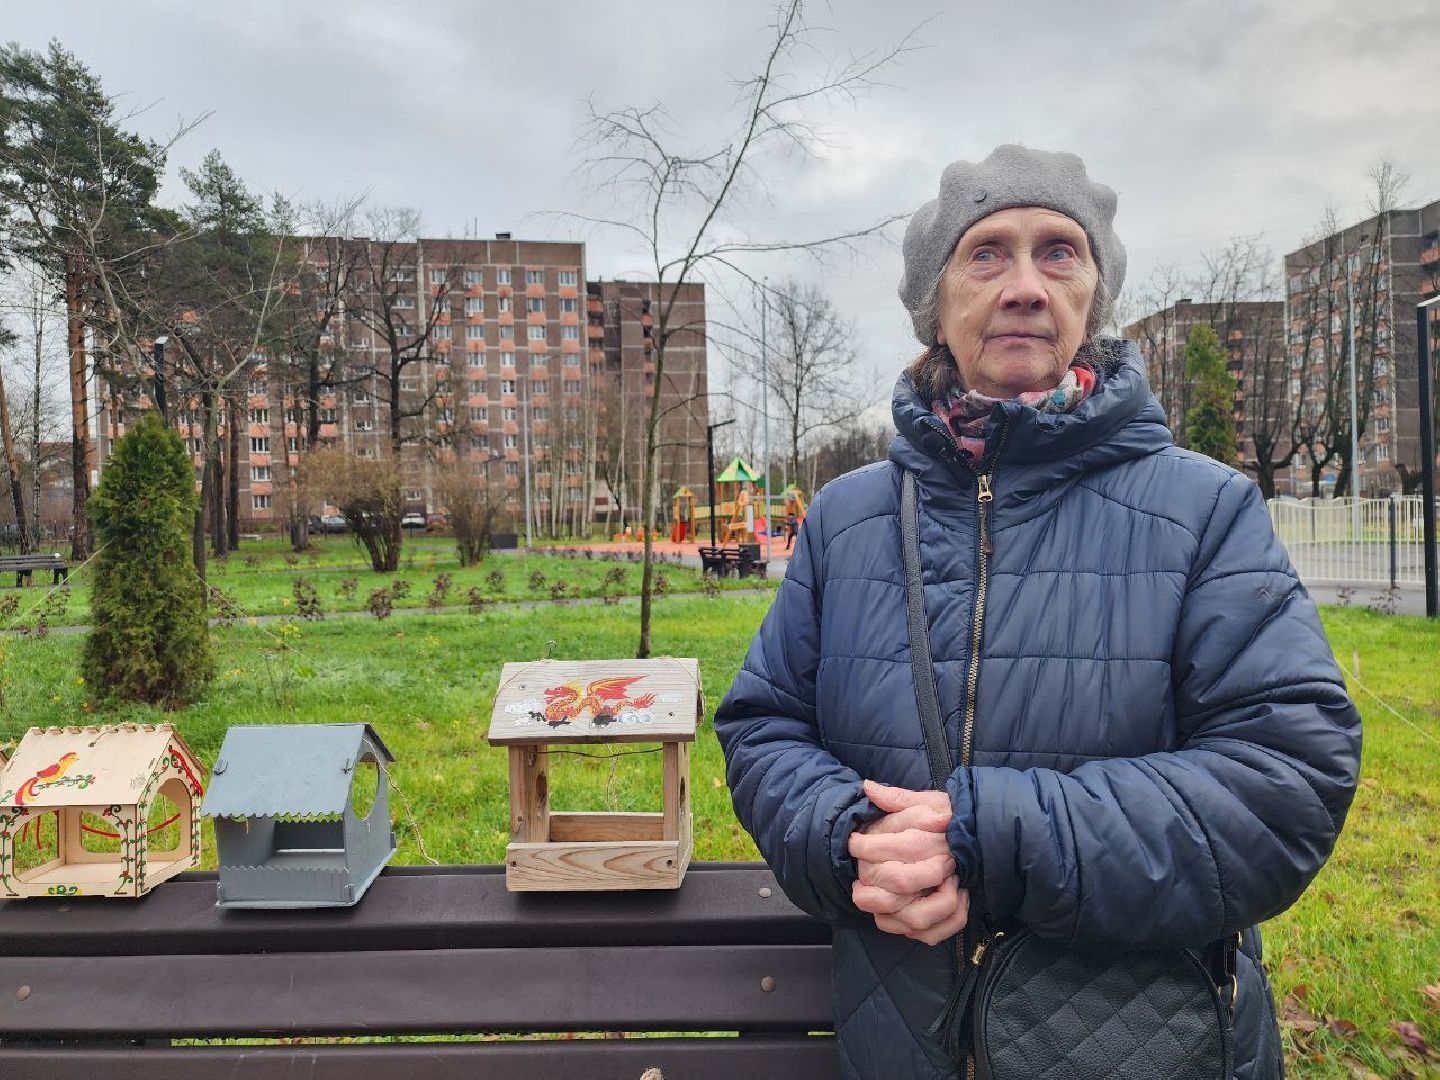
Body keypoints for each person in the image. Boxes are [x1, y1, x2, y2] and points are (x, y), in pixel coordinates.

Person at [714, 145, 1361, 1080]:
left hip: (1142, 1042)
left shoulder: (1206, 510)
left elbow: (1285, 779)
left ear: (1094, 296)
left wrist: (991, 842)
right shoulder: (846, 521)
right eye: (986, 254)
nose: (1024, 285)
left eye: (1059, 251)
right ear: (934, 306)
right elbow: (763, 727)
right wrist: (850, 839)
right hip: (897, 1040)